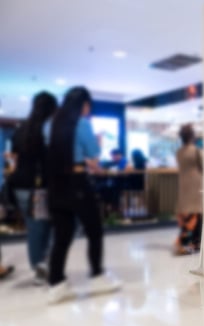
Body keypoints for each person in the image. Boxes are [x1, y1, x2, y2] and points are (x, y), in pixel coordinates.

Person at [46, 86, 121, 303]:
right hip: (77, 184)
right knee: (94, 230)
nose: (88, 110)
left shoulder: (51, 125)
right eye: (88, 105)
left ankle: (56, 283)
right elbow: (94, 156)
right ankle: (97, 274)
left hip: (55, 185)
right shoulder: (82, 124)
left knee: (62, 236)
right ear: (83, 105)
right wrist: (96, 145)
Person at [10, 91, 57, 284]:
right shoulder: (48, 130)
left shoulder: (21, 128)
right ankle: (42, 267)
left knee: (35, 229)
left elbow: (14, 156)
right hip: (40, 187)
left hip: (20, 185)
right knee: (45, 228)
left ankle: (39, 267)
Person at [174, 124, 203, 255]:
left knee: (187, 214)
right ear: (192, 136)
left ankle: (186, 241)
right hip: (196, 184)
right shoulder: (196, 151)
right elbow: (203, 166)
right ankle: (194, 242)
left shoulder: (179, 152)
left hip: (183, 184)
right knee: (197, 213)